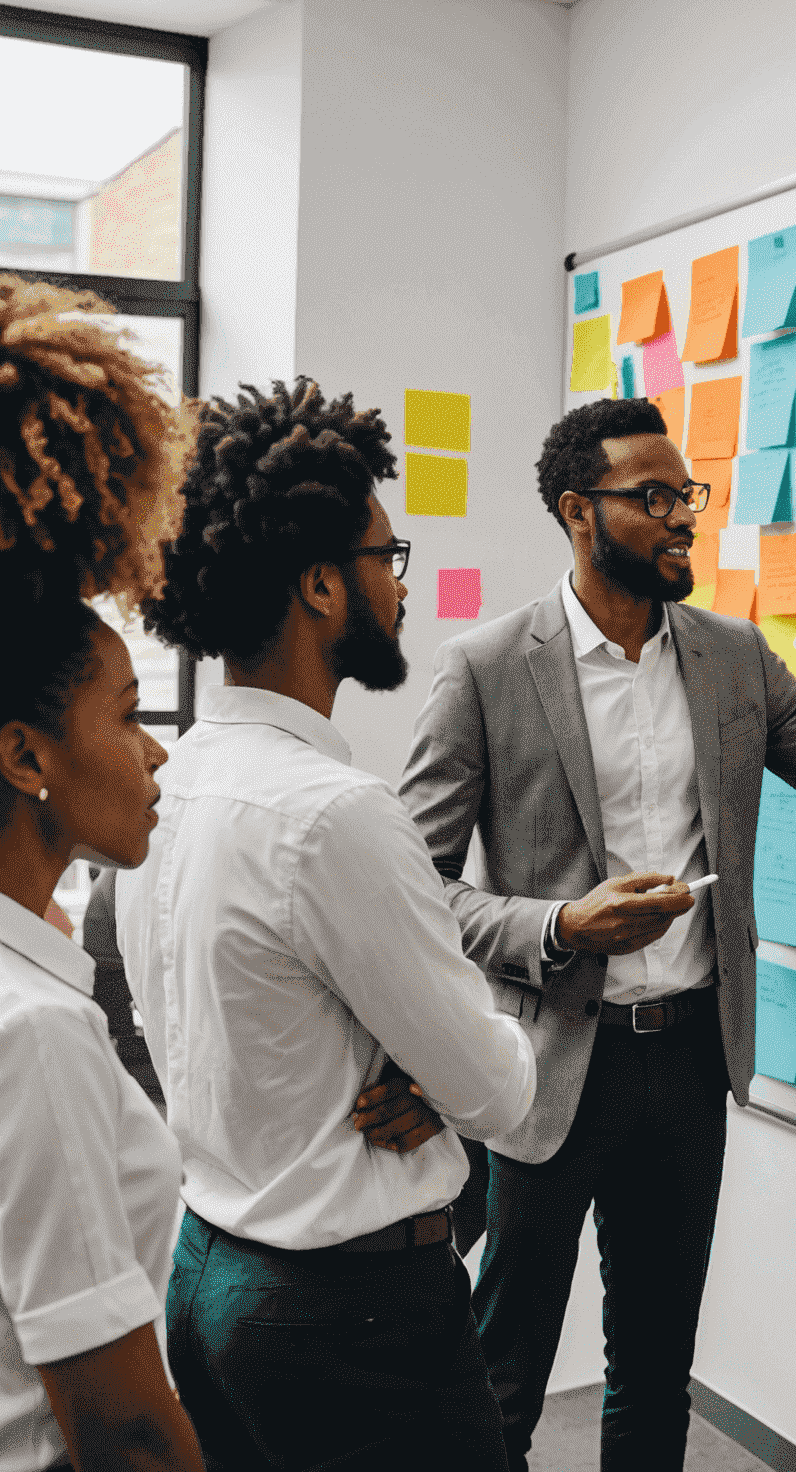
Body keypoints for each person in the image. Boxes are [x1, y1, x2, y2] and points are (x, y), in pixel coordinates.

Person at [398, 395, 796, 1470]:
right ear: (578, 510)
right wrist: (560, 924)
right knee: (502, 1371)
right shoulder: (485, 667)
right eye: (652, 498)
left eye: (686, 496)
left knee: (654, 1369)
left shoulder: (732, 658)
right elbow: (417, 886)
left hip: (690, 1061)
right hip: (548, 1064)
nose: (682, 519)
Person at [115, 379, 539, 1472]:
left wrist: (414, 1051)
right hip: (353, 1317)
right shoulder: (335, 816)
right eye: (385, 562)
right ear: (318, 585)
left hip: (210, 1273)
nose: (400, 591)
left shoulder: (167, 781)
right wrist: (446, 1054)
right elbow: (500, 1091)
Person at [0, 274, 203, 1472]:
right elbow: (122, 1428)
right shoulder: (34, 1035)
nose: (154, 748)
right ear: (26, 755)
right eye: (130, 715)